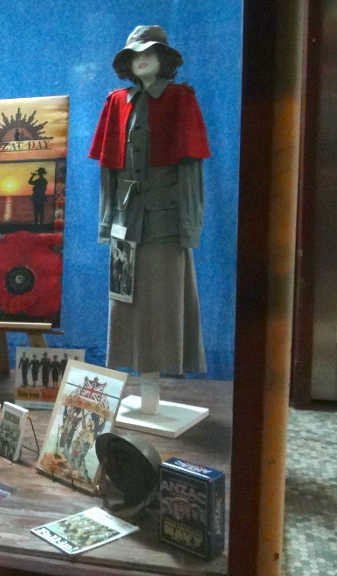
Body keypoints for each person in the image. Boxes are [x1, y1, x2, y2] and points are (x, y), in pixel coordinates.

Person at [89, 25, 211, 411]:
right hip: (127, 222)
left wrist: (189, 225)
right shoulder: (115, 102)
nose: (142, 59)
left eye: (151, 53)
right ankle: (141, 393)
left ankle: (156, 393)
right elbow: (108, 172)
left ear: (164, 59)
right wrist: (107, 222)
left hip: (166, 223)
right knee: (124, 301)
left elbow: (191, 169)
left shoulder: (180, 99)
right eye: (135, 54)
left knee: (163, 302)